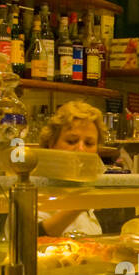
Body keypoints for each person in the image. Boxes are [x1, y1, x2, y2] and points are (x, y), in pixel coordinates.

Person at [37, 101, 106, 236]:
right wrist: (78, 205)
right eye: (71, 141)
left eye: (89, 143)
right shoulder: (33, 187)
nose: (81, 149)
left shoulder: (87, 187)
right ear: (52, 143)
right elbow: (29, 240)